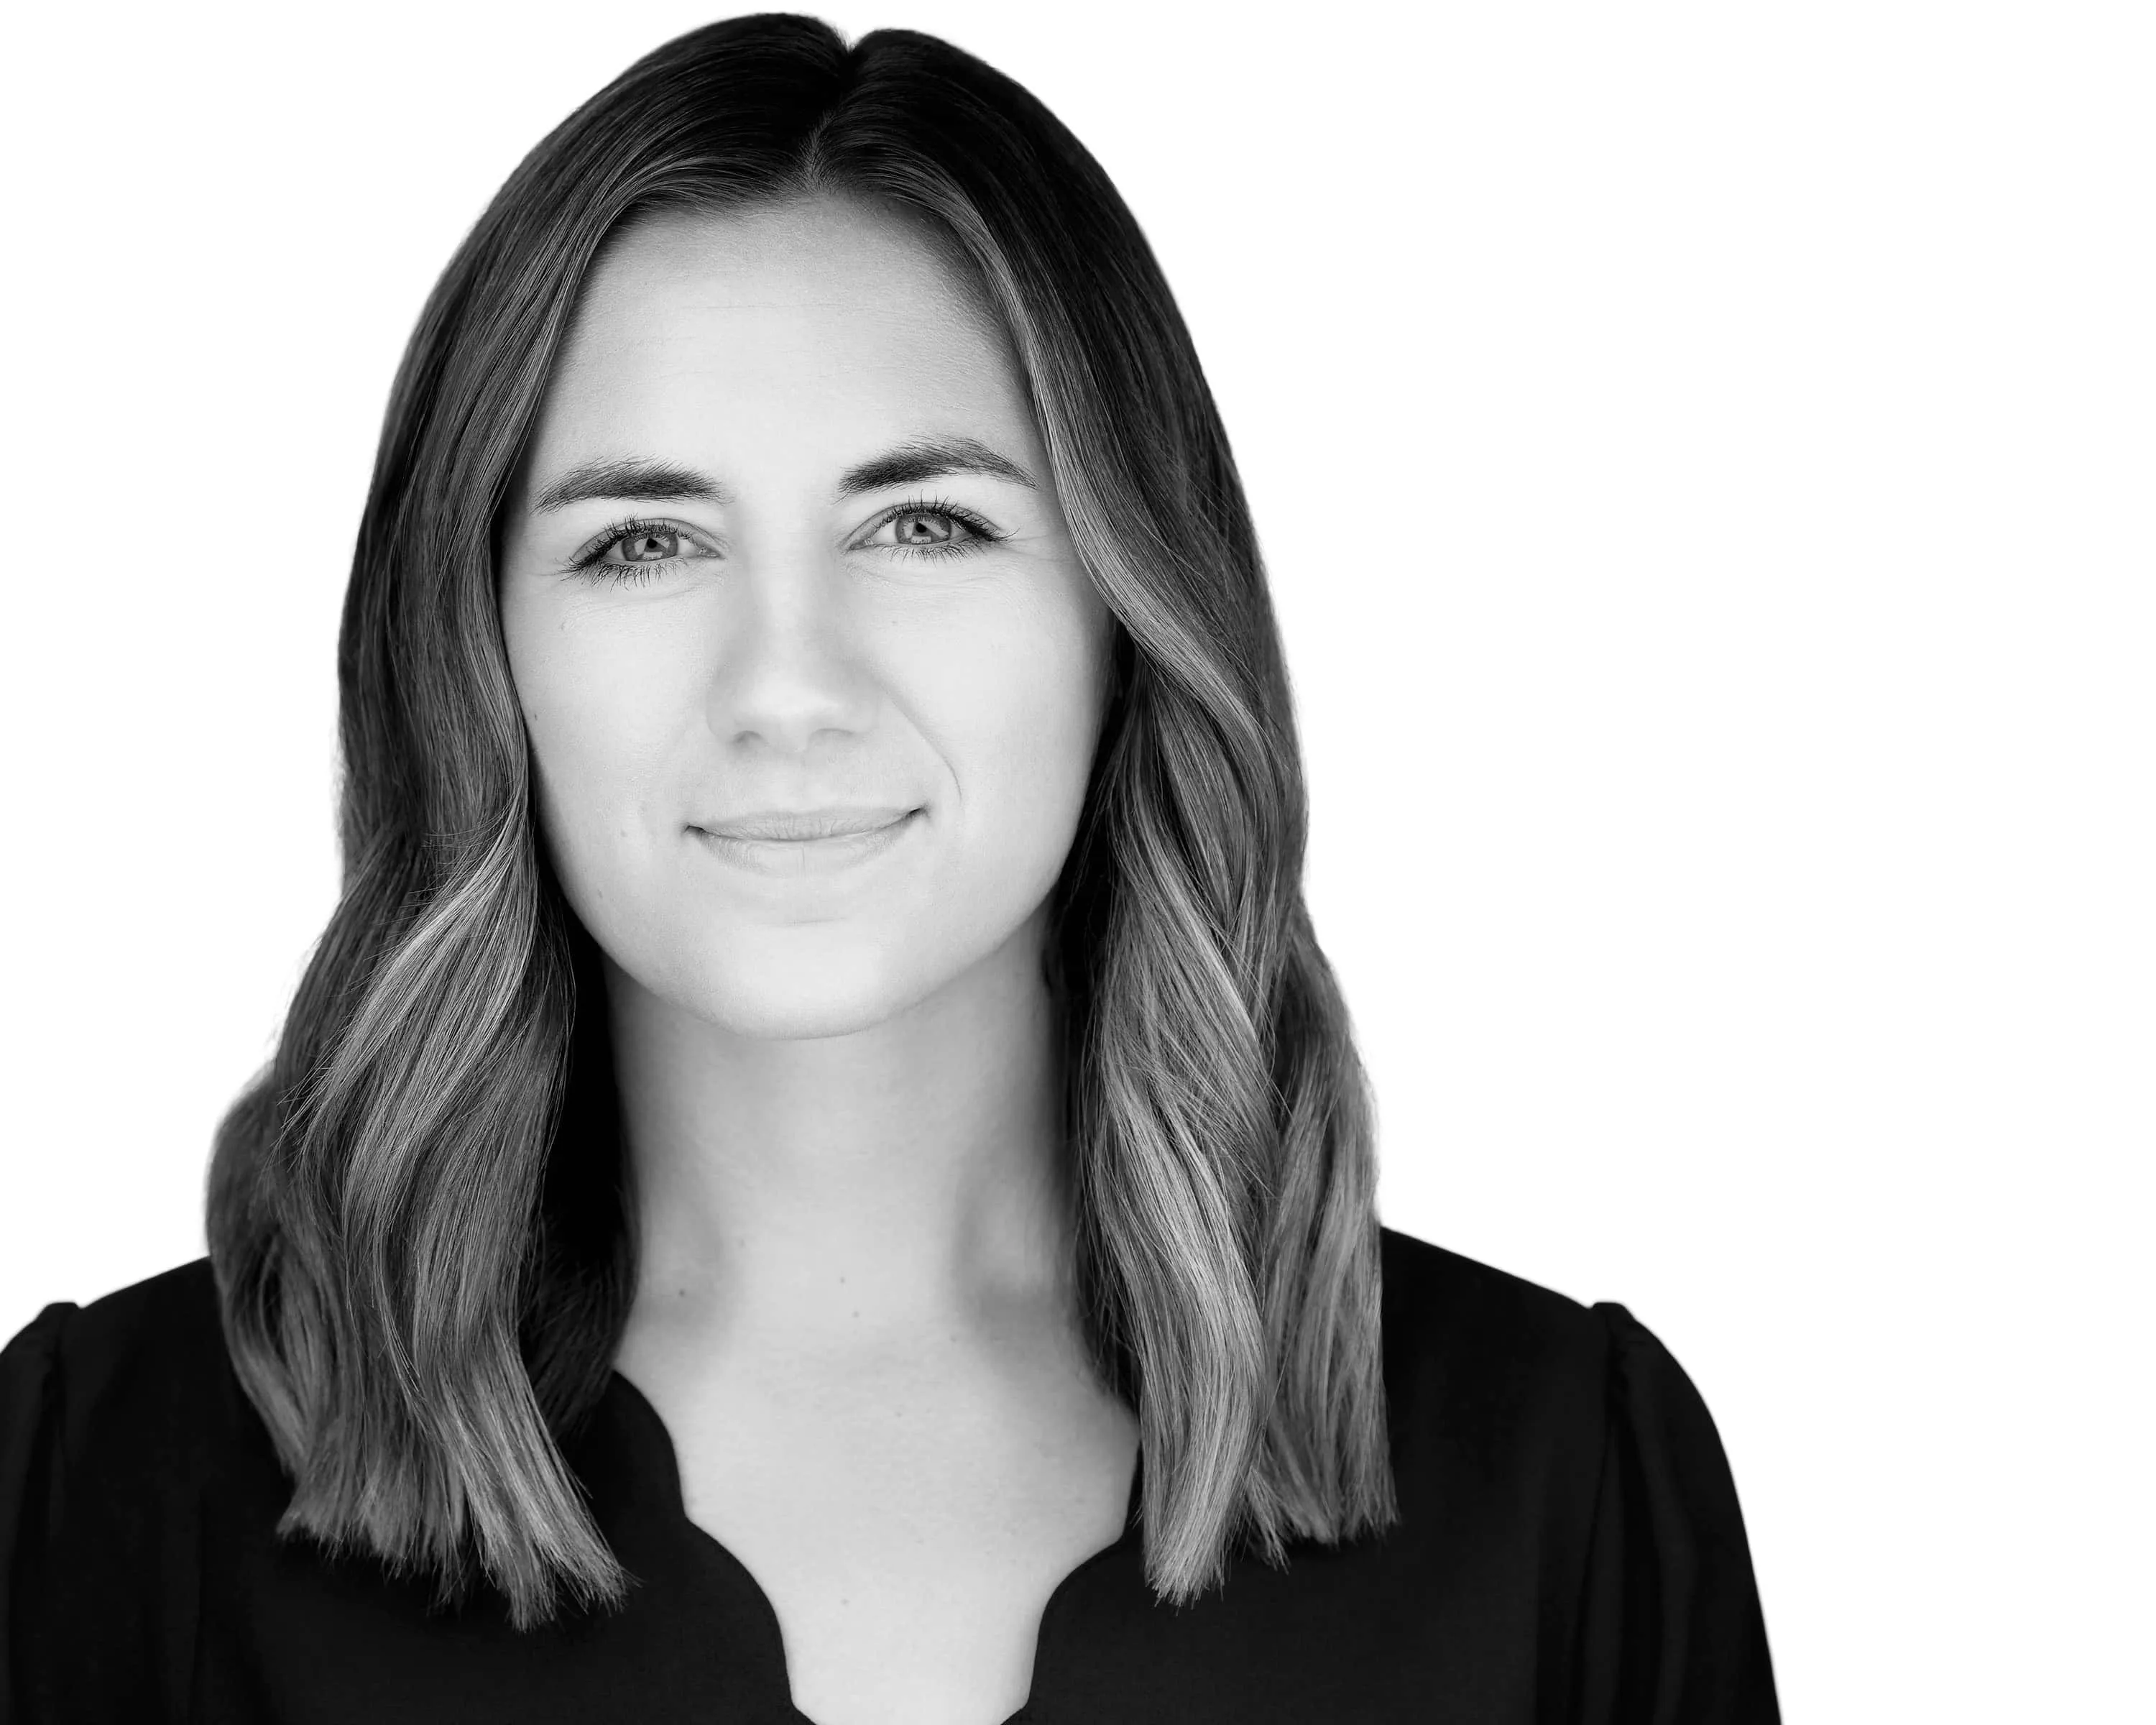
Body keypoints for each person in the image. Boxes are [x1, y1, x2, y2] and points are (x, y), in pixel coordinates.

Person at [0, 14, 1779, 1723]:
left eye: (924, 524)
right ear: (471, 648)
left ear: (1129, 609)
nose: (788, 686)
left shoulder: (1564, 1492)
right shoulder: (104, 1489)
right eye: (641, 541)